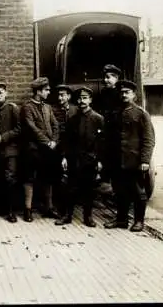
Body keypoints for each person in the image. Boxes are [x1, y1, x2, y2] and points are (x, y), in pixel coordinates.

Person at [104, 80, 155, 232]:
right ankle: (121, 220)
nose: (124, 95)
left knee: (138, 192)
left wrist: (145, 160)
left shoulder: (141, 114)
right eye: (121, 92)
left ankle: (139, 221)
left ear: (134, 94)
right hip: (118, 160)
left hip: (134, 160)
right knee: (119, 191)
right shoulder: (116, 113)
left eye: (127, 92)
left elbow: (149, 139)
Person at [55, 86, 104, 227]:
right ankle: (67, 216)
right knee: (70, 188)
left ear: (90, 100)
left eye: (84, 98)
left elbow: (102, 142)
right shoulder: (72, 119)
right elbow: (66, 140)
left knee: (88, 190)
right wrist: (64, 157)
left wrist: (99, 160)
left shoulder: (98, 118)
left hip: (90, 160)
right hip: (73, 159)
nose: (81, 101)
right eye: (79, 98)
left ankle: (88, 217)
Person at [20, 77, 59, 222]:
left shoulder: (47, 107)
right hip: (33, 149)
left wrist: (54, 141)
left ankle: (49, 208)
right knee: (29, 178)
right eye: (46, 90)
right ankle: (27, 210)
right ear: (38, 91)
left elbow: (55, 125)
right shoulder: (27, 107)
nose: (49, 92)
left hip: (48, 149)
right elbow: (32, 128)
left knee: (48, 178)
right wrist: (47, 142)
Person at [0, 83, 21, 223]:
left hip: (10, 151)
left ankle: (11, 212)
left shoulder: (12, 108)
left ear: (6, 93)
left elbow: (19, 129)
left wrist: (3, 137)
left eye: (1, 92)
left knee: (10, 180)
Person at [51, 84, 77, 212]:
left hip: (72, 147)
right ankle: (59, 205)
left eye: (62, 95)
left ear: (69, 96)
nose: (60, 97)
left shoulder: (75, 110)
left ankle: (71, 205)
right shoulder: (52, 110)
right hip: (58, 147)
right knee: (57, 176)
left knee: (71, 177)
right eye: (58, 95)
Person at [97, 64, 122, 184]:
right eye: (105, 77)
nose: (105, 80)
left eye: (108, 77)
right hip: (104, 133)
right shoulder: (103, 93)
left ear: (116, 78)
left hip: (116, 134)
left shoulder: (120, 94)